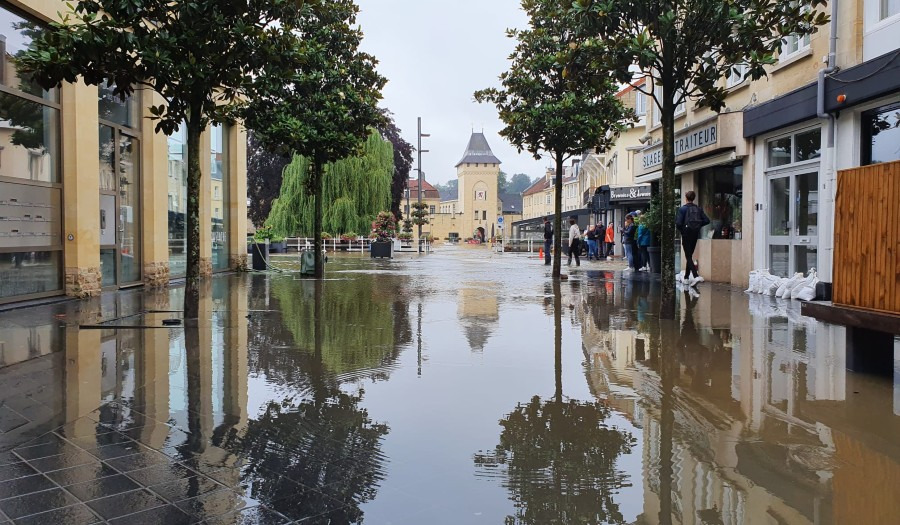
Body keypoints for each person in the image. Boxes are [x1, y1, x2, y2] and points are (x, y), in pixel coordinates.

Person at [675, 190, 711, 286]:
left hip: (686, 234)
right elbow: (707, 220)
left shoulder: (682, 209)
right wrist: (698, 225)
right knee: (689, 255)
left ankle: (696, 276)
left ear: (686, 198)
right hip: (695, 234)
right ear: (693, 198)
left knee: (688, 256)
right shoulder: (698, 209)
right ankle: (686, 277)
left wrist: (682, 230)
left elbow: (678, 223)